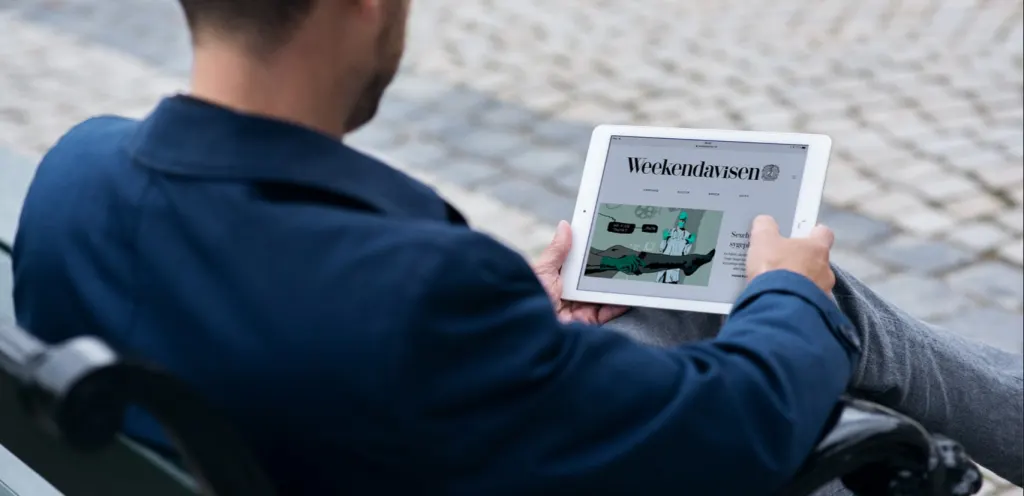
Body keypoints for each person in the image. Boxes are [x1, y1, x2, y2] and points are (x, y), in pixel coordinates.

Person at [9, 0, 1021, 494]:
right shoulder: (415, 296)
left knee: (675, 293)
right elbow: (730, 433)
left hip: (340, 440)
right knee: (811, 299)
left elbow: (294, 299)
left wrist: (510, 320)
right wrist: (788, 294)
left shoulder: (72, 176)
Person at [656, 211, 696, 283]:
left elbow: (685, 253)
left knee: (671, 285)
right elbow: (661, 249)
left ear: (686, 221)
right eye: (681, 219)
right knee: (658, 282)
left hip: (674, 266)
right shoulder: (670, 232)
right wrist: (664, 239)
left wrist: (689, 243)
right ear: (678, 220)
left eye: (683, 220)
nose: (682, 222)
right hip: (664, 262)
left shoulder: (687, 235)